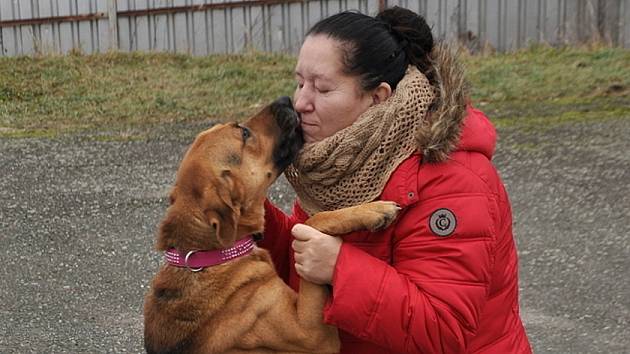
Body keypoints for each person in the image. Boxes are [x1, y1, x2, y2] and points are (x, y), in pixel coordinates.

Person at [259, 6, 532, 353]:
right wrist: (250, 216)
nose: (300, 102)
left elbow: (443, 331)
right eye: (300, 83)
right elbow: (304, 265)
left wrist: (340, 268)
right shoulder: (339, 164)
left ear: (378, 97)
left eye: (322, 89)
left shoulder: (453, 181)